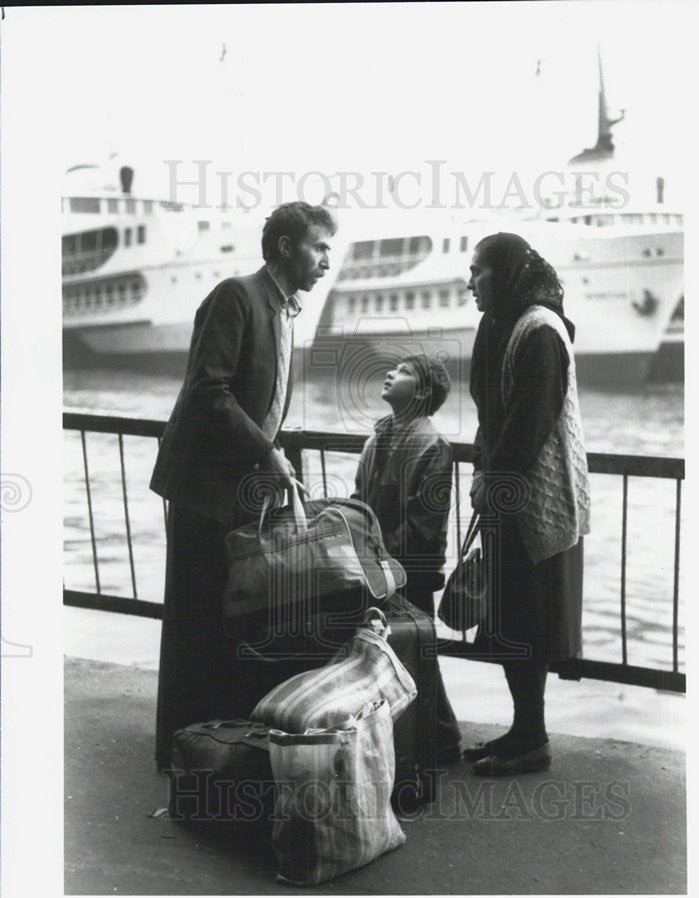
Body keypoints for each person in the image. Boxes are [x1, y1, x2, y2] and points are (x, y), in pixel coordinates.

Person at [150, 202, 336, 770]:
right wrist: (268, 452)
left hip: (238, 486)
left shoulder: (285, 309)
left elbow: (259, 396)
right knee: (194, 615)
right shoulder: (238, 296)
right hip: (204, 485)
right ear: (285, 247)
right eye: (319, 247)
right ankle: (177, 751)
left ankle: (210, 745)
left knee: (228, 613)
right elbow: (210, 390)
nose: (328, 258)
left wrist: (267, 456)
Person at [463, 232, 591, 776]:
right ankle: (523, 730)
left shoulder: (538, 330)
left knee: (527, 618)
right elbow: (493, 414)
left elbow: (527, 424)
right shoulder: (501, 324)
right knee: (513, 616)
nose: (471, 282)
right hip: (507, 491)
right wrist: (482, 471)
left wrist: (492, 480)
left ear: (507, 272)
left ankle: (532, 739)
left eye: (479, 271)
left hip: (534, 497)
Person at [352, 354, 462, 762]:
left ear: (422, 392)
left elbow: (424, 524)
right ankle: (436, 736)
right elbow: (361, 499)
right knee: (408, 653)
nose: (390, 373)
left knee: (414, 653)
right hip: (380, 563)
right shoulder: (381, 435)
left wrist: (379, 556)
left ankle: (441, 738)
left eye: (403, 372)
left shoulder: (433, 446)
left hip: (408, 569)